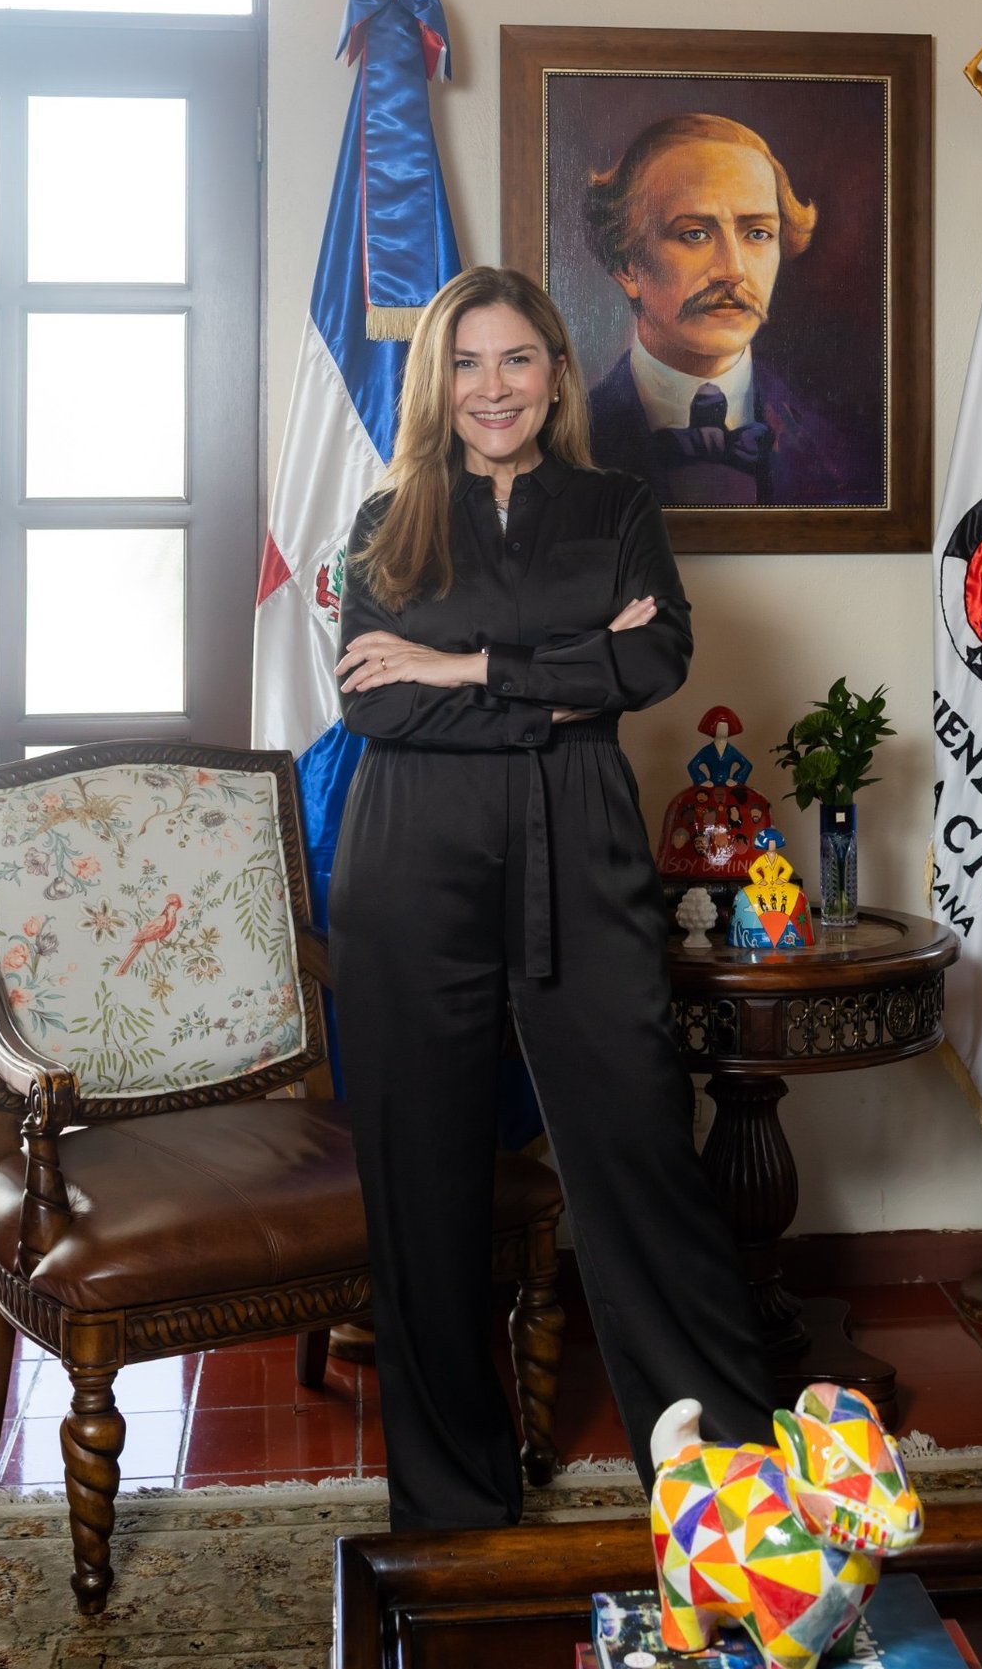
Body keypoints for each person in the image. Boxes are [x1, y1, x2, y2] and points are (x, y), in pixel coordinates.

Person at [329, 263, 773, 1532]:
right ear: (437, 382)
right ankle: (452, 1506)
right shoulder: (387, 518)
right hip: (410, 861)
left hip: (580, 848)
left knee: (640, 1153)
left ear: (557, 372)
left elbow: (655, 657)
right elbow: (375, 703)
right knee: (423, 1182)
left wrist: (462, 662)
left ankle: (726, 1495)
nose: (492, 387)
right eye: (465, 362)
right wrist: (564, 678)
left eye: (516, 358)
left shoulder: (615, 503)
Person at [581, 113, 878, 507]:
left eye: (757, 233)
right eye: (694, 234)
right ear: (626, 266)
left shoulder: (847, 454)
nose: (733, 270)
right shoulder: (568, 440)